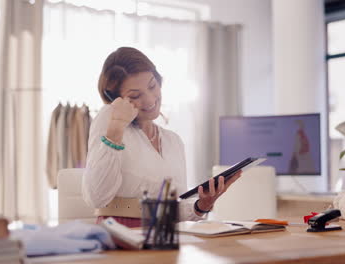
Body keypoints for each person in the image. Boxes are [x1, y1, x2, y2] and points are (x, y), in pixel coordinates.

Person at [81, 47, 242, 228]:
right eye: (135, 95)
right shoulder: (110, 123)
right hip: (122, 233)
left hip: (167, 235)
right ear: (115, 99)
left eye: (152, 86)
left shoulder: (173, 141)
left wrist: (201, 206)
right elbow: (97, 197)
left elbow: (174, 210)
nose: (150, 100)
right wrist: (117, 125)